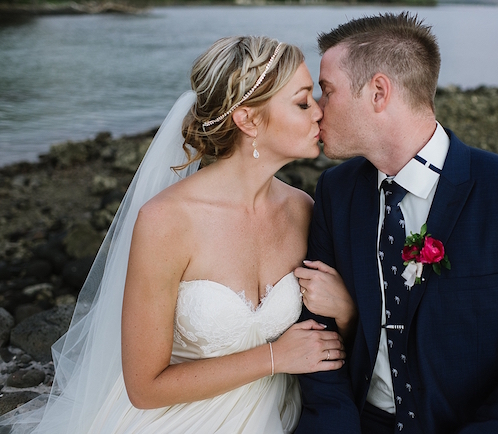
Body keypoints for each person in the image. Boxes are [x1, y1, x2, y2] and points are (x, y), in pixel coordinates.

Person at [0, 36, 353, 434]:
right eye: (303, 102)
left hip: (281, 416)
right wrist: (274, 358)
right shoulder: (166, 221)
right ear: (248, 120)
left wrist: (347, 311)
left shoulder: (303, 209)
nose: (320, 112)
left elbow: (324, 339)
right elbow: (144, 387)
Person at [294, 12, 498, 434]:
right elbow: (317, 335)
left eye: (327, 91)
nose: (317, 111)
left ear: (378, 92)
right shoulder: (335, 191)